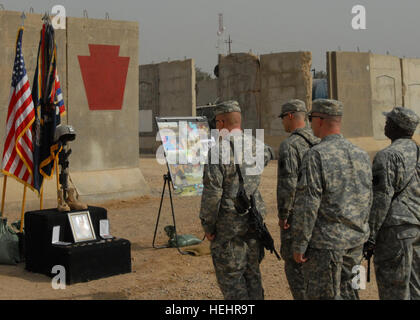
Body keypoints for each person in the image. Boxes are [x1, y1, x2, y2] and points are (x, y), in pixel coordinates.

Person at [291, 99, 372, 300]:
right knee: (351, 294)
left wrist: (300, 245)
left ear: (319, 120)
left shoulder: (316, 155)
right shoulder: (361, 154)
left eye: (311, 119)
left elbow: (308, 205)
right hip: (355, 244)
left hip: (327, 248)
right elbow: (368, 198)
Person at [199, 100, 274, 300]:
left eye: (216, 122)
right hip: (253, 221)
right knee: (253, 273)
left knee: (232, 279)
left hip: (228, 227)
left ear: (222, 122)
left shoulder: (217, 151)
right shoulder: (258, 146)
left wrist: (208, 225)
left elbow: (212, 194)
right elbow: (269, 154)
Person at [366, 106, 420, 300]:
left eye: (389, 121)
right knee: (415, 287)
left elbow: (381, 200)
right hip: (416, 225)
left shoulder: (387, 155)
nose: (386, 124)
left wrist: (370, 236)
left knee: (393, 289)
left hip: (395, 230)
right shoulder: (417, 150)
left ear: (397, 127)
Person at [277, 99, 320, 299]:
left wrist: (284, 215)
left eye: (283, 118)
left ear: (291, 116)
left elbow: (288, 184)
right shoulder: (321, 140)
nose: (283, 123)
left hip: (297, 218)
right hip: (320, 217)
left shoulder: (290, 145)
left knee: (296, 269)